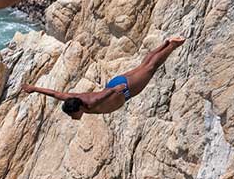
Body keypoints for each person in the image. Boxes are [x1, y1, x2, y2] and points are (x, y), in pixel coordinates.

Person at [22, 36, 186, 119]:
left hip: (123, 90)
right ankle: (165, 44)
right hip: (116, 84)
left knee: (150, 68)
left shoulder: (90, 103)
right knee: (143, 66)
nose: (73, 118)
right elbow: (55, 94)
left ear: (79, 109)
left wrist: (115, 90)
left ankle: (172, 45)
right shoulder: (73, 98)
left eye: (73, 115)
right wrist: (35, 89)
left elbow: (101, 96)